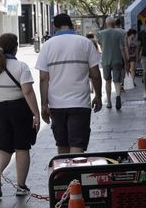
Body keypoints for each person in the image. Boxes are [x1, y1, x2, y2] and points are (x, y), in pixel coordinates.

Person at [36, 13, 102, 154]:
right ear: (71, 24)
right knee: (77, 144)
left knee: (62, 145)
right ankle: (75, 175)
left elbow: (43, 78)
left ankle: (64, 175)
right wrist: (98, 96)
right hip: (80, 103)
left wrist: (43, 105)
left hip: (56, 105)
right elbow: (96, 75)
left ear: (55, 26)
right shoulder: (85, 43)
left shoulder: (47, 46)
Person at [0, 33, 41, 197]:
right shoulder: (21, 67)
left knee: (3, 147)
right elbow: (28, 92)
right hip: (19, 109)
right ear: (15, 47)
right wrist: (36, 114)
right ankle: (21, 186)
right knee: (22, 147)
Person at [97, 16, 129, 110]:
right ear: (114, 23)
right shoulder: (119, 33)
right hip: (117, 60)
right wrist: (126, 62)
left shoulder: (101, 33)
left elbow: (100, 46)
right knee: (117, 80)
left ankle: (109, 102)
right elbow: (122, 48)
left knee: (107, 81)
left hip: (106, 60)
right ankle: (118, 96)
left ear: (106, 23)